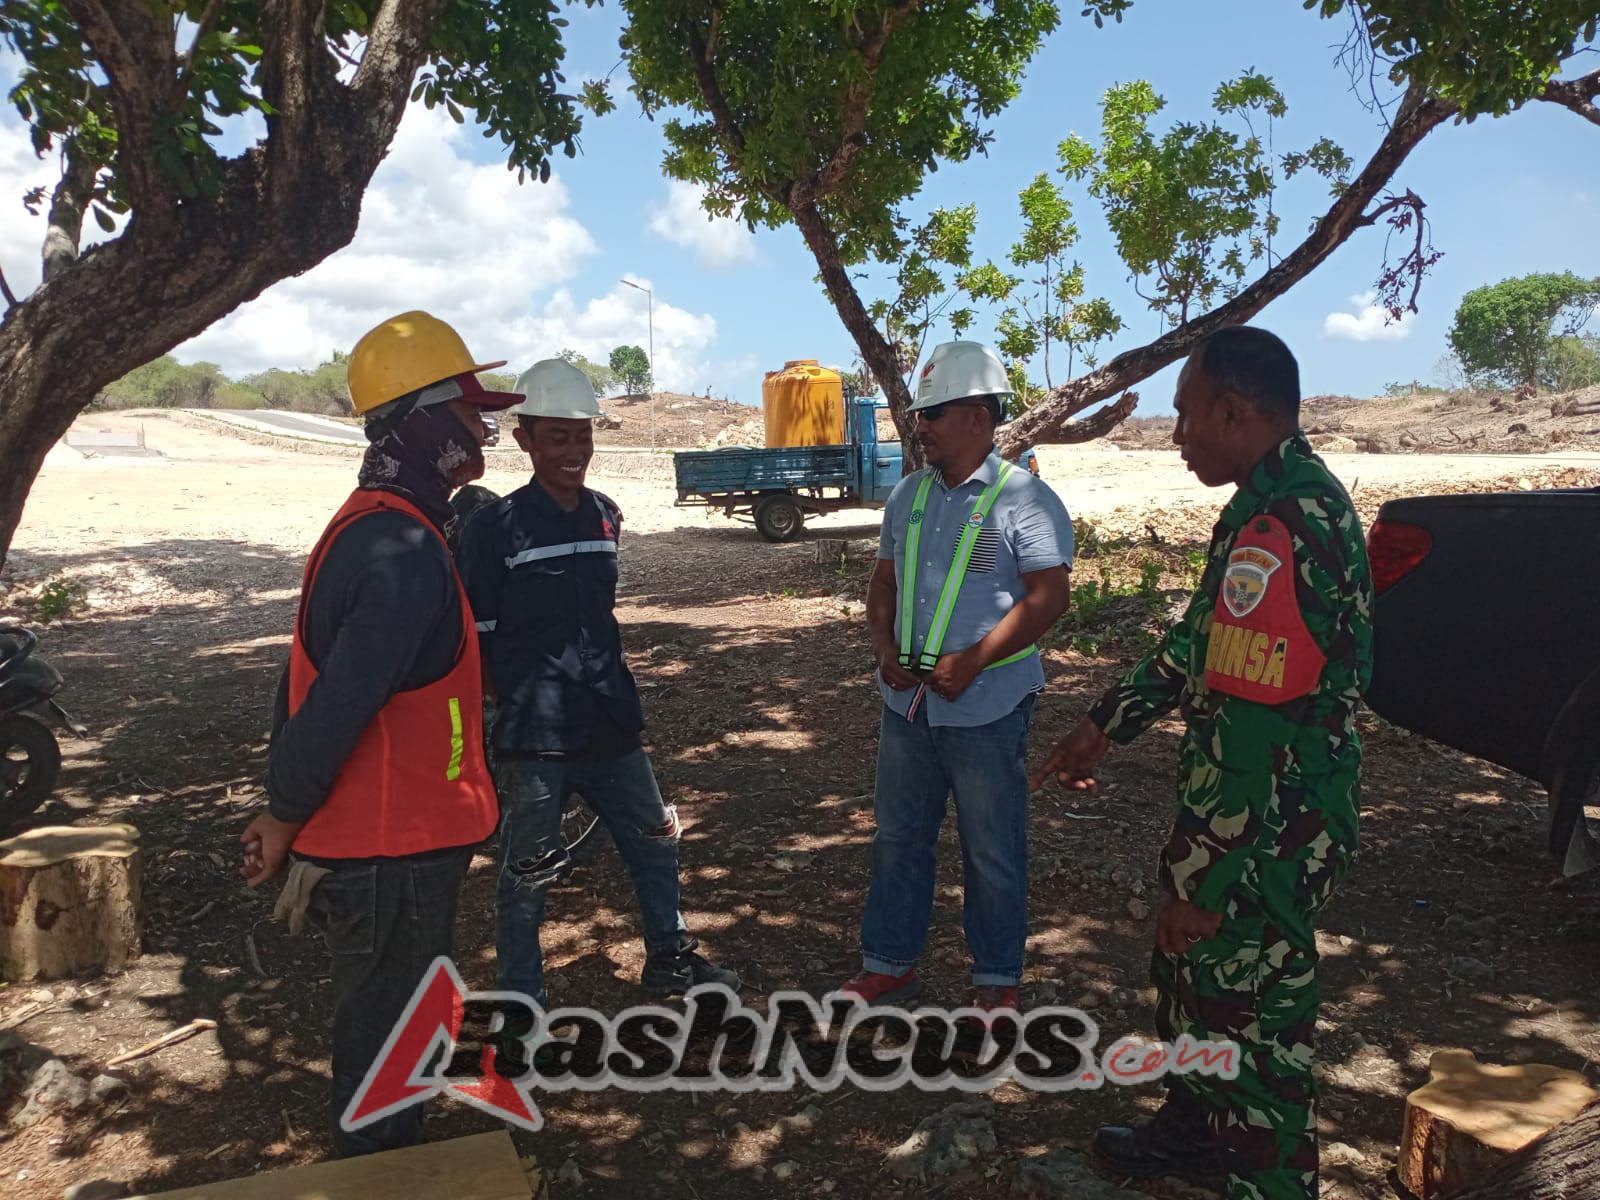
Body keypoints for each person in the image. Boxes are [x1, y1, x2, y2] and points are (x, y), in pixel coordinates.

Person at [1031, 326, 1373, 1200]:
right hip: (1249, 812)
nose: (1176, 434)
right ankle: (1191, 1132)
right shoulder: (1260, 504)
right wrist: (1107, 725)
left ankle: (1266, 1180)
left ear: (1233, 411)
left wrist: (1205, 876)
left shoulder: (1286, 523)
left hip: (1267, 826)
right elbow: (1198, 644)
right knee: (1191, 984)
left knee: (1255, 1021)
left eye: (1186, 416)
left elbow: (1257, 727)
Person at [240, 311, 523, 1157]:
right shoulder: (399, 548)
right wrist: (284, 815)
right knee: (385, 1064)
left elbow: (307, 683)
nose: (484, 429)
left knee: (396, 1033)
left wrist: (279, 800)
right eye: (469, 411)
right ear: (421, 420)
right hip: (388, 854)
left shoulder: (380, 525)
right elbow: (337, 704)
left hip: (396, 843)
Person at [453, 357, 739, 1008]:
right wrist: (509, 710)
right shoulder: (495, 528)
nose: (573, 451)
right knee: (527, 874)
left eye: (582, 436)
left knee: (656, 843)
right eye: (558, 437)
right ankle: (522, 1004)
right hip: (535, 737)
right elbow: (478, 638)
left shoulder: (607, 516)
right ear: (525, 438)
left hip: (611, 720)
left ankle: (671, 961)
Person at [840, 340, 1074, 1016]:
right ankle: (888, 965)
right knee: (898, 837)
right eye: (919, 414)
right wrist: (882, 644)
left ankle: (996, 981)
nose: (921, 426)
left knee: (992, 849)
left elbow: (1049, 597)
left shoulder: (1024, 499)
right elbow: (882, 582)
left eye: (934, 413)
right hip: (907, 707)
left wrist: (974, 660)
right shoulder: (909, 496)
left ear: (977, 414)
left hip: (988, 707)